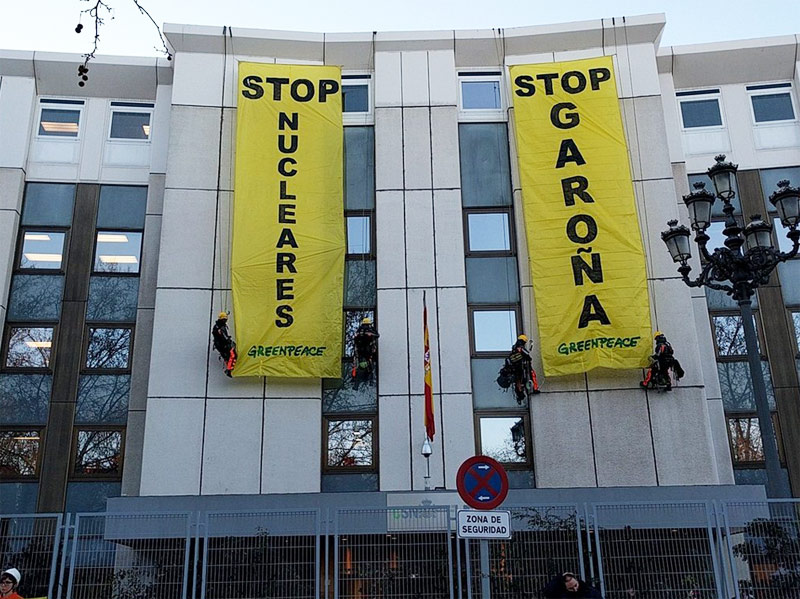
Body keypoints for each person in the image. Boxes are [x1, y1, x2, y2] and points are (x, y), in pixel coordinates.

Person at [502, 334, 540, 402]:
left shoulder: (513, 349)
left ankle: (520, 395)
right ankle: (535, 389)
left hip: (516, 369)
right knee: (532, 375)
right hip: (522, 368)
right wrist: (529, 359)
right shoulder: (520, 348)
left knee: (518, 381)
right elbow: (527, 355)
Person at [211, 311, 236, 377]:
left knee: (226, 357)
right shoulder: (220, 327)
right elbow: (223, 336)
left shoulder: (217, 326)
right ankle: (229, 369)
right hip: (222, 345)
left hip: (219, 345)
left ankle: (228, 368)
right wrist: (229, 341)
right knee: (233, 355)